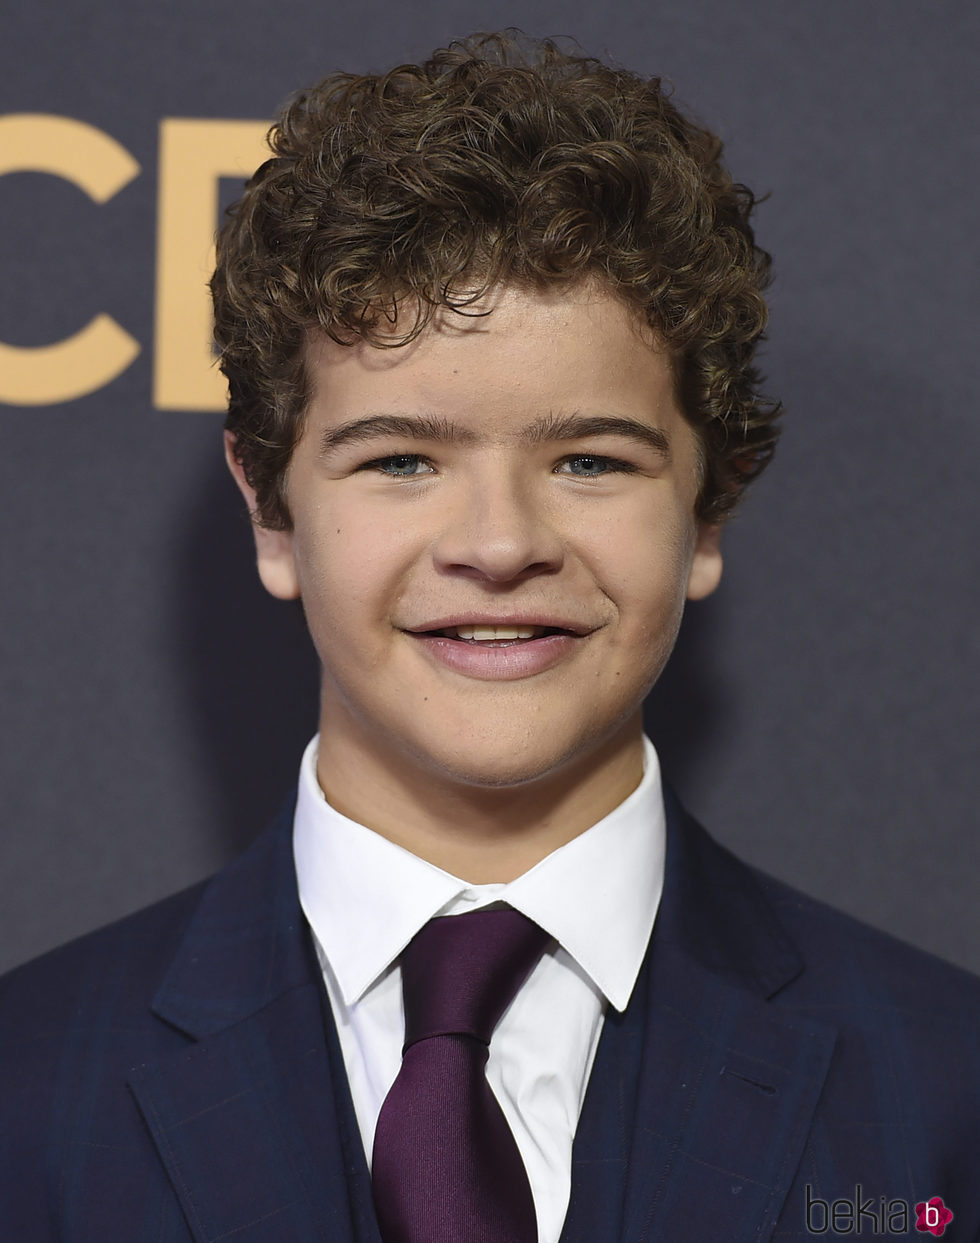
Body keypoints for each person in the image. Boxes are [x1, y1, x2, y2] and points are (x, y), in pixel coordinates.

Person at [1, 31, 977, 1242]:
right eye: (403, 458)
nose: (501, 542)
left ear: (707, 509)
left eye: (588, 459)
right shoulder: (25, 1094)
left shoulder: (945, 1098)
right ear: (269, 509)